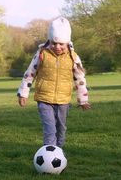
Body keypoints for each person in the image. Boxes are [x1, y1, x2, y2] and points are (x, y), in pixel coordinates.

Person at [16, 17, 91, 148]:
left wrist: (83, 100)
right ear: (49, 40)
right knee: (50, 129)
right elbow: (30, 74)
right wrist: (23, 93)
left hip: (63, 100)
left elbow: (80, 79)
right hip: (44, 99)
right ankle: (49, 153)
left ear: (67, 42)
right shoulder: (42, 54)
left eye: (61, 44)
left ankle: (58, 153)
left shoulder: (73, 57)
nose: (57, 47)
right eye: (54, 43)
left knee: (61, 129)